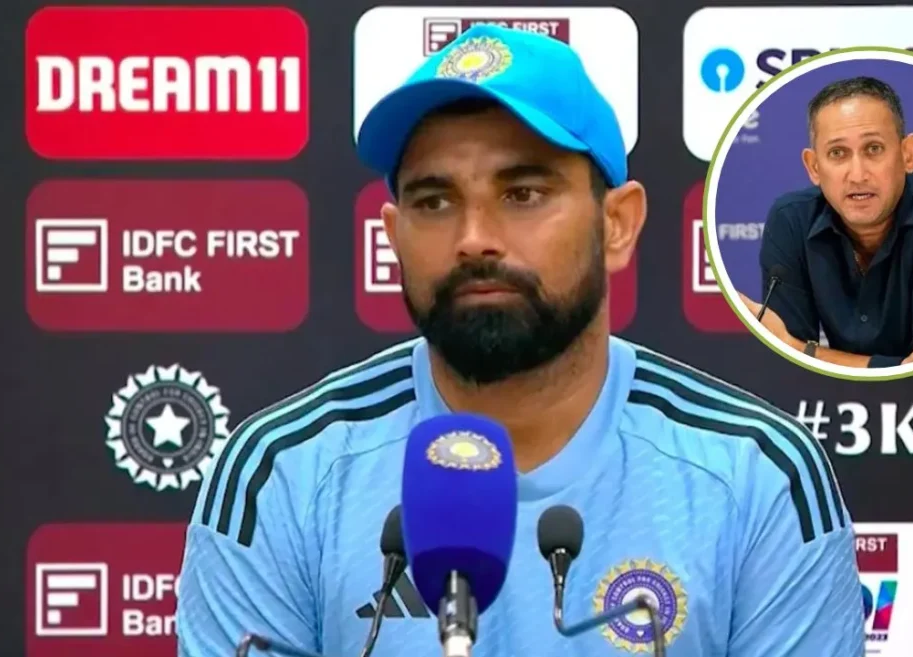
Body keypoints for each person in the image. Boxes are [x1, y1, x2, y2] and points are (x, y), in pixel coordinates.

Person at [176, 25, 863, 657]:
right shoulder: (283, 476)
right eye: (434, 201)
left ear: (618, 224)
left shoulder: (756, 477)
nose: (474, 237)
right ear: (393, 237)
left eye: (524, 193)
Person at [741, 76, 913, 369]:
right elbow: (789, 364)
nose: (857, 175)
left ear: (908, 154)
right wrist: (797, 350)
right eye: (837, 153)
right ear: (814, 167)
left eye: (873, 149)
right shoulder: (792, 219)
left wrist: (802, 350)